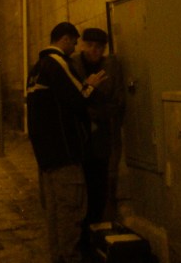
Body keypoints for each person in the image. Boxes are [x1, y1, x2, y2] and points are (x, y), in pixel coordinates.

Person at [26, 22, 107, 263]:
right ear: (64, 39)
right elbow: (78, 98)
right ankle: (69, 258)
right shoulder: (57, 63)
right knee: (71, 210)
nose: (75, 47)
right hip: (64, 152)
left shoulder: (36, 68)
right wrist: (91, 85)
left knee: (55, 211)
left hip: (46, 155)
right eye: (74, 42)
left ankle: (58, 256)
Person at [72, 27, 125, 232]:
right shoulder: (74, 65)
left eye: (99, 47)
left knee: (99, 185)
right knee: (80, 187)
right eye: (91, 46)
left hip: (102, 136)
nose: (95, 51)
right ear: (84, 45)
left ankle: (95, 228)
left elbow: (118, 101)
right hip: (80, 137)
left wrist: (98, 114)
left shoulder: (111, 67)